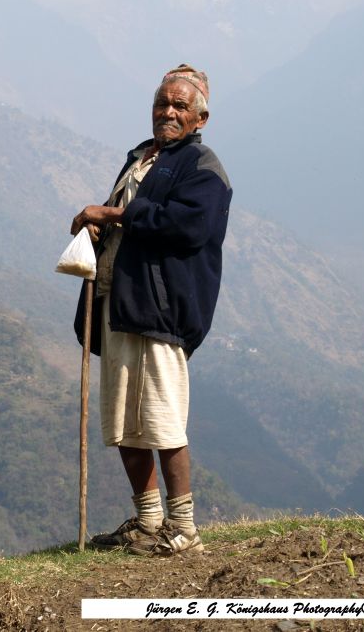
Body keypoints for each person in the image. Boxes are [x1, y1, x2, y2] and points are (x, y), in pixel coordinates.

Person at [70, 64, 231, 556]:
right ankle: (148, 521)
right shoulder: (141, 159)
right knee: (123, 421)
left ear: (200, 118)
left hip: (160, 311)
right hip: (119, 303)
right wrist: (94, 224)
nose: (169, 112)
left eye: (180, 106)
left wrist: (114, 213)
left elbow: (187, 227)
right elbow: (126, 217)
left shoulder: (202, 168)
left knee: (161, 419)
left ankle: (183, 528)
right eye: (163, 103)